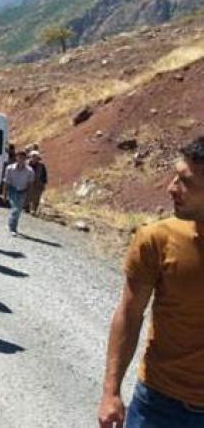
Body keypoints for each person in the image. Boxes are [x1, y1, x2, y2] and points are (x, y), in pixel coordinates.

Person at [98, 137, 204, 428]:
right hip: (160, 407)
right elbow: (129, 315)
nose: (171, 188)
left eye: (186, 181)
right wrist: (111, 391)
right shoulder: (157, 239)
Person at [3, 150, 34, 236]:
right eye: (19, 157)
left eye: (23, 158)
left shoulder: (29, 171)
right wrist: (4, 194)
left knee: (18, 210)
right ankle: (12, 228)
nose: (21, 160)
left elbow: (30, 184)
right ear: (16, 158)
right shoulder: (10, 168)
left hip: (23, 192)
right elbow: (6, 182)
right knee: (15, 209)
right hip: (13, 191)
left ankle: (11, 223)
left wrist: (29, 197)